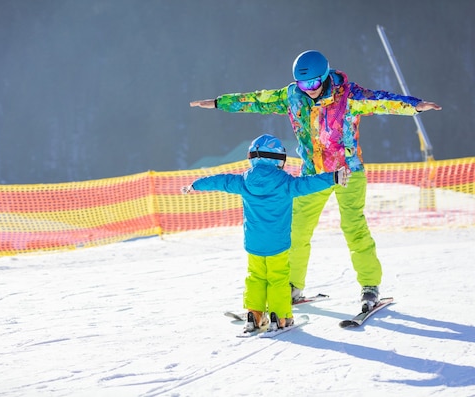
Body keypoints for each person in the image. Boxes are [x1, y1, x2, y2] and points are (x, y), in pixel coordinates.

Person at [190, 50, 442, 313]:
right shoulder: (293, 98)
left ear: (324, 77)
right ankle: (292, 285)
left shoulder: (349, 96)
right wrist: (220, 102)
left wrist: (415, 105)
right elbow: (256, 100)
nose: (308, 89)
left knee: (354, 227)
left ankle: (369, 286)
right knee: (297, 231)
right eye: (302, 84)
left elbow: (382, 101)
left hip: (348, 172)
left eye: (312, 84)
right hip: (313, 174)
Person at [182, 134, 348, 332]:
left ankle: (255, 315)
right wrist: (333, 177)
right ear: (279, 159)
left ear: (252, 157)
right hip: (278, 243)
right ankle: (280, 318)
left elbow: (221, 181)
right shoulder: (286, 183)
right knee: (278, 278)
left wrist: (195, 185)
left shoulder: (244, 180)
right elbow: (308, 184)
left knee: (255, 277)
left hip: (254, 243)